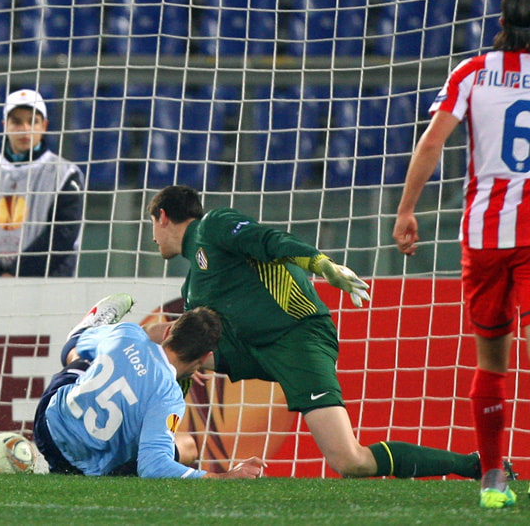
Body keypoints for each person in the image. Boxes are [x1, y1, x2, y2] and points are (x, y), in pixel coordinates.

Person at [146, 184, 488, 483]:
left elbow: (270, 240)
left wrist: (324, 265)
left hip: (298, 336)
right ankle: (158, 445)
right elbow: (185, 351)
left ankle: (477, 465)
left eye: (152, 226)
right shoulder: (193, 286)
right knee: (170, 340)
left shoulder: (214, 225)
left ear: (163, 216)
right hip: (253, 348)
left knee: (350, 461)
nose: (152, 237)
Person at [392, 0, 530, 509]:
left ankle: (493, 477)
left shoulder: (472, 73)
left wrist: (407, 210)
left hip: (485, 238)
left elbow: (432, 141)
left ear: (500, 23)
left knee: (491, 360)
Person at [33, 293, 264, 478]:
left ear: (168, 330)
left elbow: (87, 348)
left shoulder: (128, 333)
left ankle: (84, 330)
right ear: (203, 359)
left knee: (79, 355)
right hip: (85, 467)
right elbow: (152, 465)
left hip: (47, 426)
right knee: (186, 446)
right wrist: (223, 476)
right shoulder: (168, 395)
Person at [0, 88, 84, 277]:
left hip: (50, 287)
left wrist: (16, 274)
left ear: (44, 126)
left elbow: (63, 235)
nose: (25, 128)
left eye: (33, 121)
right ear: (4, 125)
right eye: (16, 122)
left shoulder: (66, 173)